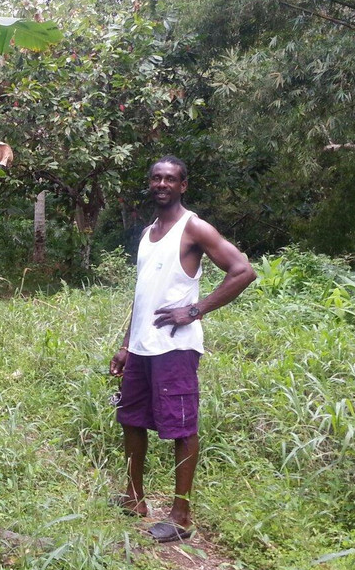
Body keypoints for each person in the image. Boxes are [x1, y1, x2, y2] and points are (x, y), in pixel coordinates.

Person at [109, 156, 256, 543]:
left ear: (183, 185)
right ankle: (134, 498)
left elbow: (243, 270)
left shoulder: (194, 228)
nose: (161, 184)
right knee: (131, 419)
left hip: (175, 349)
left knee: (182, 427)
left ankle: (180, 516)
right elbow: (143, 296)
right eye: (156, 177)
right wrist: (126, 345)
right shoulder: (148, 233)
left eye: (170, 179)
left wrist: (194, 310)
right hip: (142, 347)